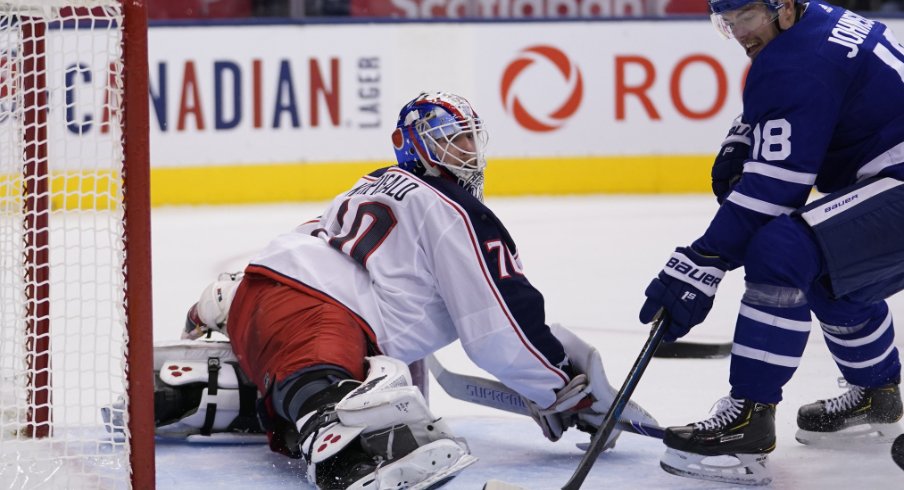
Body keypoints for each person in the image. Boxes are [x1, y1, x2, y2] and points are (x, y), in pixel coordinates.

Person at [165, 91, 656, 490]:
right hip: (317, 318)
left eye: (468, 140)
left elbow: (339, 257)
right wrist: (558, 387)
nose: (464, 153)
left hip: (261, 291)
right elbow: (498, 323)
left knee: (362, 383)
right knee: (341, 417)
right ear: (411, 143)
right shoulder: (455, 209)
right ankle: (341, 437)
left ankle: (228, 384)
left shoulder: (373, 183)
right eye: (449, 141)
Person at [637, 0, 904, 485]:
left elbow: (776, 194)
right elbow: (814, 99)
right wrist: (748, 133)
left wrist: (702, 261)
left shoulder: (797, 60)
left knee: (783, 250)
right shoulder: (819, 20)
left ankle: (748, 420)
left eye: (747, 17)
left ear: (783, 8)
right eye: (728, 21)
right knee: (827, 261)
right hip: (893, 178)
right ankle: (875, 393)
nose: (739, 32)